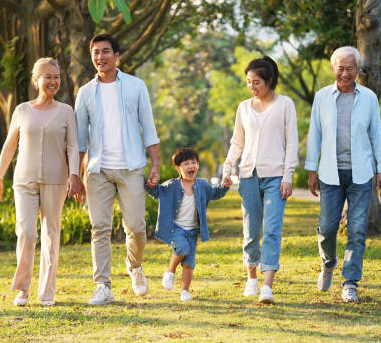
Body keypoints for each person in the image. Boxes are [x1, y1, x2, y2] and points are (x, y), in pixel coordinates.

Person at [75, 33, 160, 305]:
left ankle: (135, 267)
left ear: (117, 56)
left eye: (105, 51)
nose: (100, 56)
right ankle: (102, 286)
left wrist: (155, 165)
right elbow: (78, 138)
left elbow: (149, 127)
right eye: (96, 52)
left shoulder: (136, 86)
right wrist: (75, 175)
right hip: (98, 170)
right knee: (99, 228)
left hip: (131, 167)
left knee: (136, 227)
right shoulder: (85, 92)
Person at [0, 57, 82, 307]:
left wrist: (74, 175)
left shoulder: (66, 111)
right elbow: (9, 145)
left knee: (51, 234)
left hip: (56, 179)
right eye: (48, 77)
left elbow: (73, 147)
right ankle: (22, 287)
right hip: (24, 180)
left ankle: (47, 292)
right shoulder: (22, 110)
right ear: (36, 80)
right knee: (26, 232)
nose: (53, 81)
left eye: (56, 77)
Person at [305, 46, 381, 303]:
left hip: (361, 173)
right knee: (328, 228)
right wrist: (311, 169)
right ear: (333, 69)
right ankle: (328, 263)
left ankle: (350, 282)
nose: (345, 73)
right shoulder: (321, 97)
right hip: (330, 173)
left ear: (357, 70)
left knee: (356, 230)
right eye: (340, 68)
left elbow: (377, 134)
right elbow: (315, 133)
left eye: (349, 68)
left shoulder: (369, 98)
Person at [222, 56, 299, 304]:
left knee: (272, 230)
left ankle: (267, 286)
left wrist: (288, 175)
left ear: (270, 81)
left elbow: (291, 143)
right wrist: (227, 166)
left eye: (257, 82)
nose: (252, 87)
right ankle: (251, 277)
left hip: (276, 177)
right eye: (248, 82)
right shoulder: (243, 107)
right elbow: (237, 142)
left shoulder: (286, 104)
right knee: (251, 230)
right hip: (248, 176)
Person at [145, 148, 231, 301]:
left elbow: (215, 193)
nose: (191, 166)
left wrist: (225, 186)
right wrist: (150, 184)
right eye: (186, 163)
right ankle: (170, 271)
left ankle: (185, 291)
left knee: (189, 264)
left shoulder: (203, 185)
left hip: (193, 231)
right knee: (183, 248)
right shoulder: (172, 185)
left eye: (194, 163)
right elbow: (156, 192)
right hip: (176, 228)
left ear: (197, 165)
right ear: (178, 168)